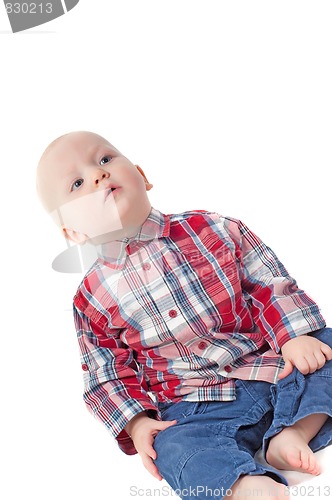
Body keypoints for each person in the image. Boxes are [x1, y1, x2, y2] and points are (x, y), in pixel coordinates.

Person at [36, 131, 332, 500]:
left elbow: (267, 283)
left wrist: (292, 336)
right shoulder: (91, 298)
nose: (98, 176)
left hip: (271, 365)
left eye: (105, 160)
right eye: (77, 183)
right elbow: (106, 370)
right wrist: (139, 422)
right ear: (72, 231)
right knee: (171, 448)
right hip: (193, 406)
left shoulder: (213, 228)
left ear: (141, 176)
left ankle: (294, 432)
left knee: (326, 346)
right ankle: (242, 483)